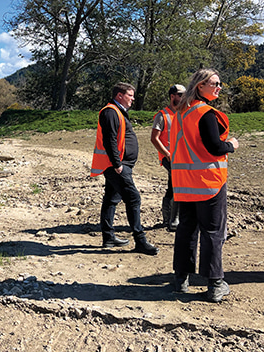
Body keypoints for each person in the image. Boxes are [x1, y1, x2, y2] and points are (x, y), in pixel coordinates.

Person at [170, 69, 238, 302]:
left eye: (220, 83)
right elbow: (215, 148)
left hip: (183, 183)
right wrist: (232, 145)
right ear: (200, 86)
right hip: (208, 182)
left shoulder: (180, 112)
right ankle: (215, 284)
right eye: (215, 83)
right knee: (213, 233)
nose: (219, 87)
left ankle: (181, 279)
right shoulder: (206, 113)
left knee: (186, 229)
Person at [90, 82, 158, 255]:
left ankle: (108, 237)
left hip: (119, 164)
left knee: (111, 199)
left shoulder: (117, 111)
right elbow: (109, 139)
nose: (133, 99)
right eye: (130, 95)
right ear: (120, 96)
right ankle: (140, 240)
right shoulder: (110, 112)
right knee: (133, 198)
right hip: (117, 166)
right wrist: (117, 164)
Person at [150, 84, 186, 231]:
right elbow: (154, 138)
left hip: (181, 157)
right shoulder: (162, 115)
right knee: (176, 185)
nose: (184, 97)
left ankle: (170, 219)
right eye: (181, 95)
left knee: (173, 186)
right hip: (169, 157)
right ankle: (173, 220)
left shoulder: (184, 113)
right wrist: (167, 154)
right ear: (173, 97)